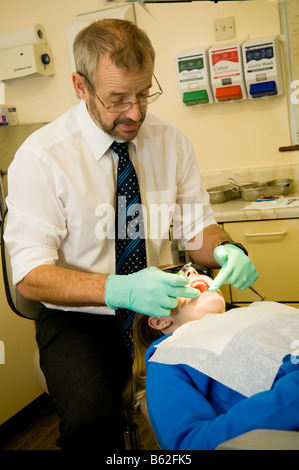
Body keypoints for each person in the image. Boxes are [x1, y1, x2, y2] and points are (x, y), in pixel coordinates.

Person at [4, 19, 258, 450]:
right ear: (81, 86)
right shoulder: (41, 157)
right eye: (118, 98)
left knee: (236, 385)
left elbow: (199, 231)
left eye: (143, 94)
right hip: (79, 317)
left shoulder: (171, 142)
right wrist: (117, 288)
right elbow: (30, 274)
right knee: (90, 423)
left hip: (162, 304)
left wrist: (228, 249)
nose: (135, 113)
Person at [132, 264, 299, 451]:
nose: (192, 272)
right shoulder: (166, 361)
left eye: (196, 270)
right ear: (160, 319)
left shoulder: (258, 314)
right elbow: (189, 442)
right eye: (173, 277)